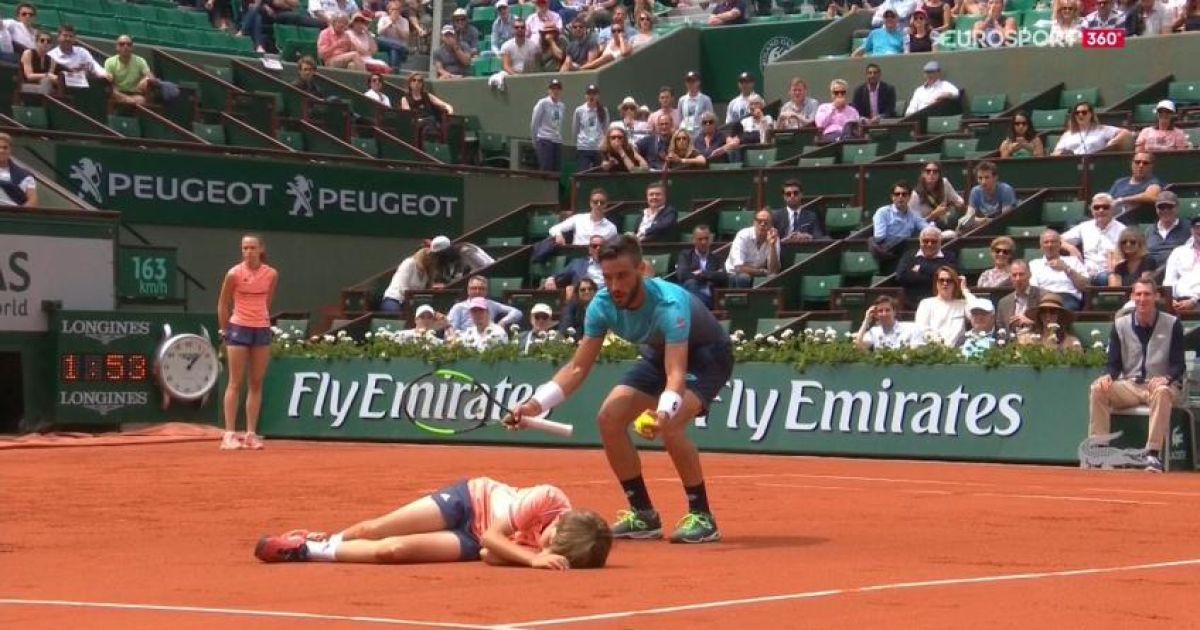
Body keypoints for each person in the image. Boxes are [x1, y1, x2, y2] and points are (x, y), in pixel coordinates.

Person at [509, 235, 733, 544]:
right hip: (658, 354)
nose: (615, 285)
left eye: (623, 276)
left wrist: (665, 411)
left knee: (672, 426)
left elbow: (676, 372)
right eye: (608, 277)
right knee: (609, 418)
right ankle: (643, 515)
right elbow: (577, 368)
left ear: (641, 270)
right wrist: (535, 404)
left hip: (707, 356)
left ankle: (703, 516)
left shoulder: (670, 304)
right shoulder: (601, 305)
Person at [253, 476, 612, 569]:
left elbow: (488, 553)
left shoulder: (560, 550)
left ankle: (306, 550)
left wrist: (525, 556)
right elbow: (493, 535)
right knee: (375, 530)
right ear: (562, 523)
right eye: (548, 540)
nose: (543, 545)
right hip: (469, 501)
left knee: (393, 552)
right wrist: (532, 558)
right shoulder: (549, 498)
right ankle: (328, 537)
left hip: (472, 542)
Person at [1088, 279, 1184, 473]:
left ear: (1156, 297)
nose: (1142, 299)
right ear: (1132, 297)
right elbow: (1113, 364)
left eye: (1147, 294)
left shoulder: (1172, 323)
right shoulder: (1120, 324)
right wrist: (1108, 376)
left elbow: (1178, 364)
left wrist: (1166, 378)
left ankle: (1152, 454)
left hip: (1162, 385)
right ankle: (1100, 451)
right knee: (1098, 389)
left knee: (1163, 391)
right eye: (1138, 294)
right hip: (1131, 385)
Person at [216, 235, 278, 451]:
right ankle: (229, 434)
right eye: (244, 248)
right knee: (235, 382)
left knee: (256, 383)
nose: (248, 251)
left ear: (261, 249)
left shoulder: (271, 274)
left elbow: (268, 300)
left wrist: (260, 318)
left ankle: (251, 434)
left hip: (261, 329)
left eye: (252, 247)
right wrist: (225, 331)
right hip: (238, 328)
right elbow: (223, 304)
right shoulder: (233, 274)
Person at [1061, 193, 1126, 285]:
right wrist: (1070, 247)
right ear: (1092, 210)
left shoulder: (1122, 230)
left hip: (1108, 273)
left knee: (1105, 278)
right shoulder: (1084, 227)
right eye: (1097, 207)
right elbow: (1057, 239)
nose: (1101, 210)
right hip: (1085, 273)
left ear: (1112, 209)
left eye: (1105, 207)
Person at [897, 226, 958, 307]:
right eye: (926, 241)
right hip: (913, 304)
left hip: (942, 304)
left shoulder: (949, 256)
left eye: (934, 241)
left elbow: (950, 276)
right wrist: (935, 274)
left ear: (940, 242)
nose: (929, 244)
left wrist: (919, 268)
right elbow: (901, 277)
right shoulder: (909, 255)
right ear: (920, 241)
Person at [870, 179, 928, 263]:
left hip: (905, 254)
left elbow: (927, 228)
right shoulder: (882, 212)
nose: (900, 197)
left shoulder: (914, 215)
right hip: (886, 255)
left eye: (904, 194)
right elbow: (879, 238)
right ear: (892, 197)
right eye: (897, 194)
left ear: (909, 197)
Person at [1029, 229, 1088, 310]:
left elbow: (1085, 286)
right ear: (1041, 247)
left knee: (1059, 311)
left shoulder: (1073, 261)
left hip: (1067, 298)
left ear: (1060, 244)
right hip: (1044, 298)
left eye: (1053, 242)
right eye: (1046, 242)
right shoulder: (1034, 264)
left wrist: (1066, 269)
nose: (1050, 245)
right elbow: (1033, 289)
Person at [445, 275, 523, 336]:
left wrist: (502, 322)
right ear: (468, 290)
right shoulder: (459, 307)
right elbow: (450, 328)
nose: (477, 291)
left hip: (488, 339)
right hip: (465, 340)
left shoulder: (491, 304)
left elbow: (517, 312)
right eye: (474, 288)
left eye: (481, 288)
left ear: (486, 291)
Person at [726, 209, 781, 287]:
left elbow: (773, 270)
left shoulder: (773, 237)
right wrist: (762, 272)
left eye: (766, 222)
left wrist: (772, 246)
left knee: (773, 278)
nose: (762, 224)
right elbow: (738, 268)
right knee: (744, 278)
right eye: (759, 221)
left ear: (771, 225)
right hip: (734, 274)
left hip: (756, 273)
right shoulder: (743, 235)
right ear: (754, 222)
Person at [909, 160, 965, 237]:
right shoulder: (915, 195)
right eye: (928, 171)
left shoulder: (944, 183)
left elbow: (959, 201)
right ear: (923, 174)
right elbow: (914, 225)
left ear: (939, 174)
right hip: (928, 231)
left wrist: (955, 204)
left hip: (947, 223)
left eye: (935, 171)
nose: (931, 174)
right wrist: (933, 215)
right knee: (951, 234)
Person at [675, 225, 727, 308]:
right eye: (700, 239)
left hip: (711, 297)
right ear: (693, 240)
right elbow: (682, 275)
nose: (704, 242)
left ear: (710, 239)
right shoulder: (686, 255)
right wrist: (712, 275)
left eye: (706, 239)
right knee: (691, 283)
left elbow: (723, 276)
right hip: (693, 295)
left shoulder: (717, 258)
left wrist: (702, 273)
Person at [1052, 102, 1132, 155]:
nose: (1080, 115)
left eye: (1084, 112)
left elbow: (1125, 132)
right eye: (1077, 113)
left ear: (1091, 114)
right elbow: (1056, 152)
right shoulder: (1067, 134)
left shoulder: (1102, 129)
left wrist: (1113, 142)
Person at [379, 242, 441, 312]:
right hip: (394, 299)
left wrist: (434, 288)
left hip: (411, 303)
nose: (431, 259)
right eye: (429, 255)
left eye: (433, 256)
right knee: (398, 314)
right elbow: (403, 288)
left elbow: (423, 292)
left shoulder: (426, 273)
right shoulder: (409, 263)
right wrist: (412, 300)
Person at [914, 265, 967, 346]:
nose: (945, 283)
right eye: (941, 280)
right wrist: (941, 345)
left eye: (949, 281)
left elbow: (982, 312)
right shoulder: (926, 303)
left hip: (957, 351)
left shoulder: (963, 304)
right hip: (934, 350)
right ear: (936, 283)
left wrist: (965, 290)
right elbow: (923, 329)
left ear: (955, 283)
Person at [854, 295, 922, 350]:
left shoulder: (911, 328)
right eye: (880, 311)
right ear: (876, 315)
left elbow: (916, 351)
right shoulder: (874, 331)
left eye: (887, 310)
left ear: (894, 312)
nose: (884, 314)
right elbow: (858, 346)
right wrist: (866, 320)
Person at [400, 73, 454, 142]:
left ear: (422, 84)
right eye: (414, 80)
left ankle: (431, 143)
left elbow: (445, 104)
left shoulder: (427, 95)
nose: (417, 83)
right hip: (417, 121)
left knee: (432, 122)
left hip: (430, 121)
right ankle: (432, 142)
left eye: (419, 81)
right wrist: (419, 120)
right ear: (410, 83)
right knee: (431, 121)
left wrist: (449, 109)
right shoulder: (405, 99)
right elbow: (408, 115)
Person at [996, 259, 1043, 334]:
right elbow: (1000, 330)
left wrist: (1031, 323)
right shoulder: (1003, 303)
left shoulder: (1042, 296)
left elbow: (1051, 326)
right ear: (1010, 277)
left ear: (1029, 275)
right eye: (1014, 275)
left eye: (1021, 274)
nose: (1018, 279)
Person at [964, 161, 1017, 227]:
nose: (983, 182)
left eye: (987, 177)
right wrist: (983, 220)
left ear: (995, 177)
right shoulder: (975, 191)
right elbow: (968, 218)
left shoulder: (1006, 190)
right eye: (980, 178)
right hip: (983, 227)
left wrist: (983, 220)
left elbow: (1004, 219)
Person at [1146, 190, 1189, 271]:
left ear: (1177, 207)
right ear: (1156, 209)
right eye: (1161, 207)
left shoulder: (1189, 229)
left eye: (1169, 206)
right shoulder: (1149, 230)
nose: (1165, 210)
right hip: (1152, 275)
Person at [531, 79, 566, 173]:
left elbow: (558, 124)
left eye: (558, 89)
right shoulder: (543, 103)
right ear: (549, 90)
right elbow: (534, 123)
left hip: (557, 141)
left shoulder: (562, 106)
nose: (555, 91)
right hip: (544, 140)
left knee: (557, 170)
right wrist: (535, 141)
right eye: (553, 88)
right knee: (546, 169)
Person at [572, 84, 607, 172]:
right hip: (584, 147)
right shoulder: (579, 110)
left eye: (594, 94)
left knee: (598, 174)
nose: (591, 96)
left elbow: (606, 129)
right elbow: (575, 129)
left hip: (598, 148)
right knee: (583, 173)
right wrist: (577, 144)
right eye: (589, 94)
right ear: (586, 96)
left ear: (598, 96)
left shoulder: (603, 110)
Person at [0, 132, 38, 207]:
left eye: (5, 147)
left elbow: (33, 202)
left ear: (10, 150)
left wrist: (18, 215)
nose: (1, 151)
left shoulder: (25, 175)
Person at [19, 30, 57, 95]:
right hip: (26, 84)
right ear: (36, 42)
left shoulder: (52, 60)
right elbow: (29, 76)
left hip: (44, 85)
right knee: (47, 85)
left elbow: (49, 79)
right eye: (42, 40)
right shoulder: (28, 53)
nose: (45, 43)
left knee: (49, 84)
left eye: (48, 41)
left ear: (51, 45)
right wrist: (47, 75)